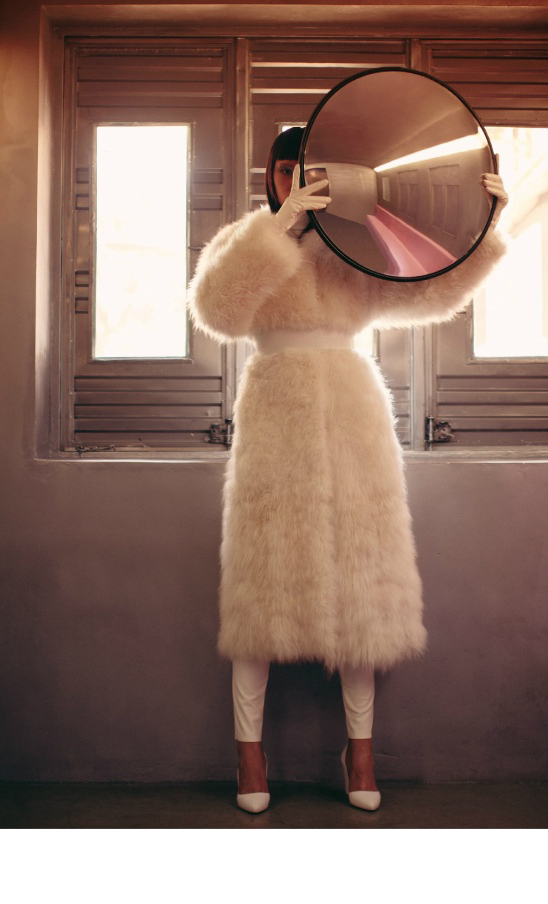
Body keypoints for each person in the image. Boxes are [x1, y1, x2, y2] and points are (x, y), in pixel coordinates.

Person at [186, 127, 509, 813]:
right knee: (261, 586)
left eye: (309, 170)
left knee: (365, 582)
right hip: (276, 410)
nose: (298, 180)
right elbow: (217, 310)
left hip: (354, 415)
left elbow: (430, 295)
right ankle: (249, 753)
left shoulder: (356, 241)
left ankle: (361, 753)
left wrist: (483, 230)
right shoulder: (247, 238)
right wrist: (281, 226)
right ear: (271, 175)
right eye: (286, 170)